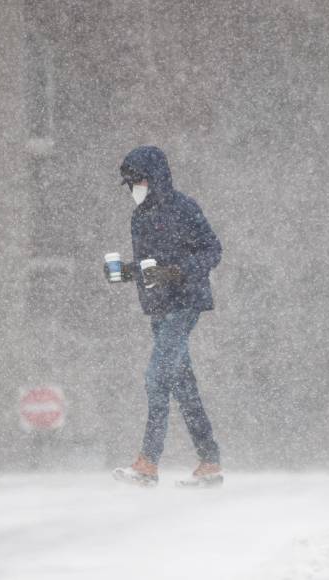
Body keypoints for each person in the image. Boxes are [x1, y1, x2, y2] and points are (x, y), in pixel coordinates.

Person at [106, 145, 222, 487]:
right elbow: (149, 267)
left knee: (156, 377)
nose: (133, 189)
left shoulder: (183, 208)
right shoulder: (139, 217)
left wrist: (177, 272)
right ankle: (210, 461)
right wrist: (126, 272)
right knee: (182, 386)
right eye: (129, 184)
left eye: (137, 181)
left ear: (155, 179)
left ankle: (147, 465)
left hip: (184, 305)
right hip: (158, 308)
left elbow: (213, 250)